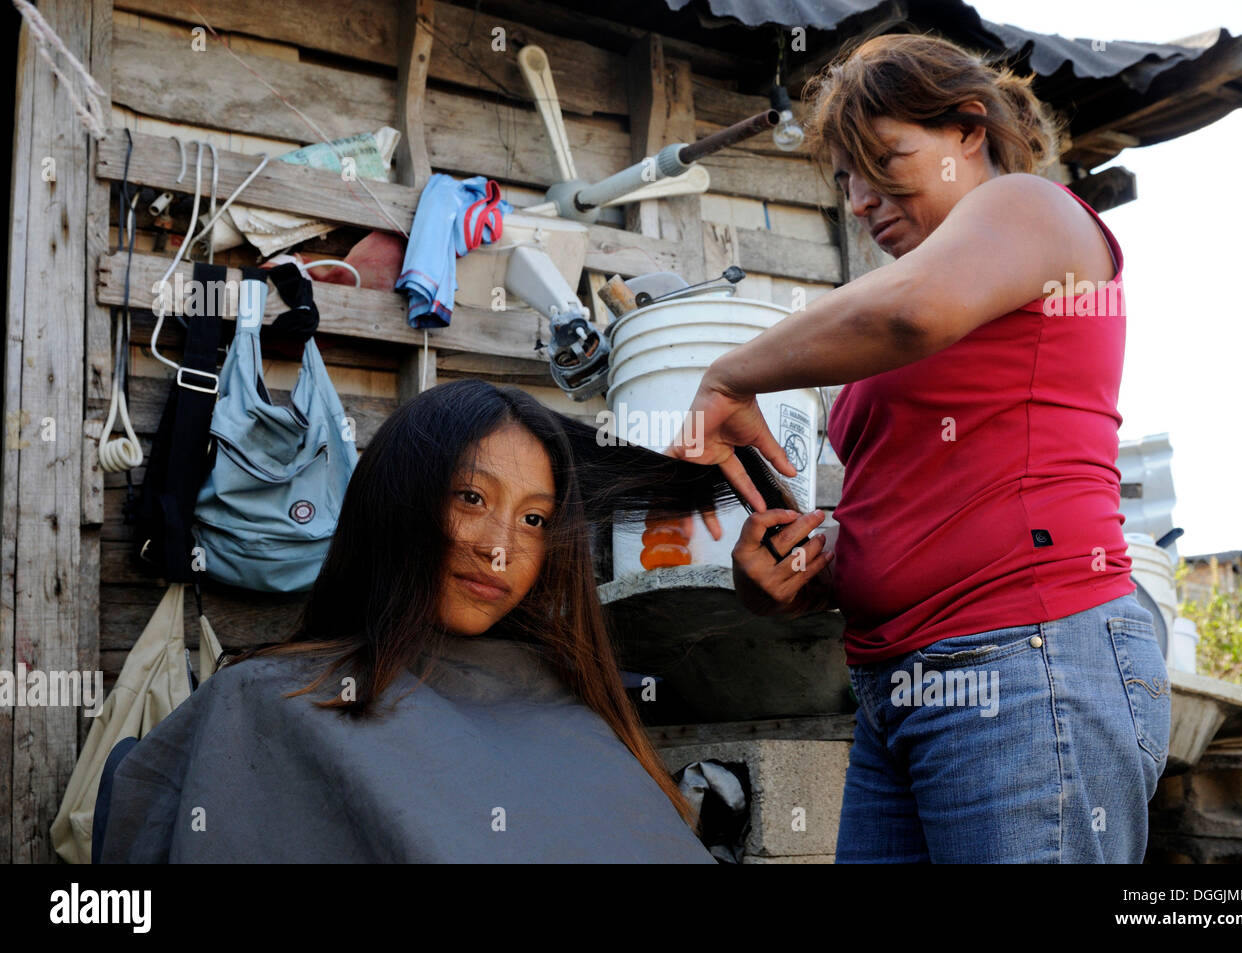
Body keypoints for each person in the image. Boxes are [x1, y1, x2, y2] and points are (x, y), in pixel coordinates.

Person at [666, 32, 1171, 863]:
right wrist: (807, 570)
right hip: (898, 689)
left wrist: (728, 377)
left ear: (969, 131)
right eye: (847, 179)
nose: (862, 199)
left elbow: (913, 312)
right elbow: (928, 497)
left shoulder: (1028, 209)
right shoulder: (911, 301)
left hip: (1023, 661)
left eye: (887, 159)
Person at [101, 378, 744, 863]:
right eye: (471, 497)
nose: (501, 548)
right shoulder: (267, 701)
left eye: (534, 520)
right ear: (397, 501)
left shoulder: (579, 711)